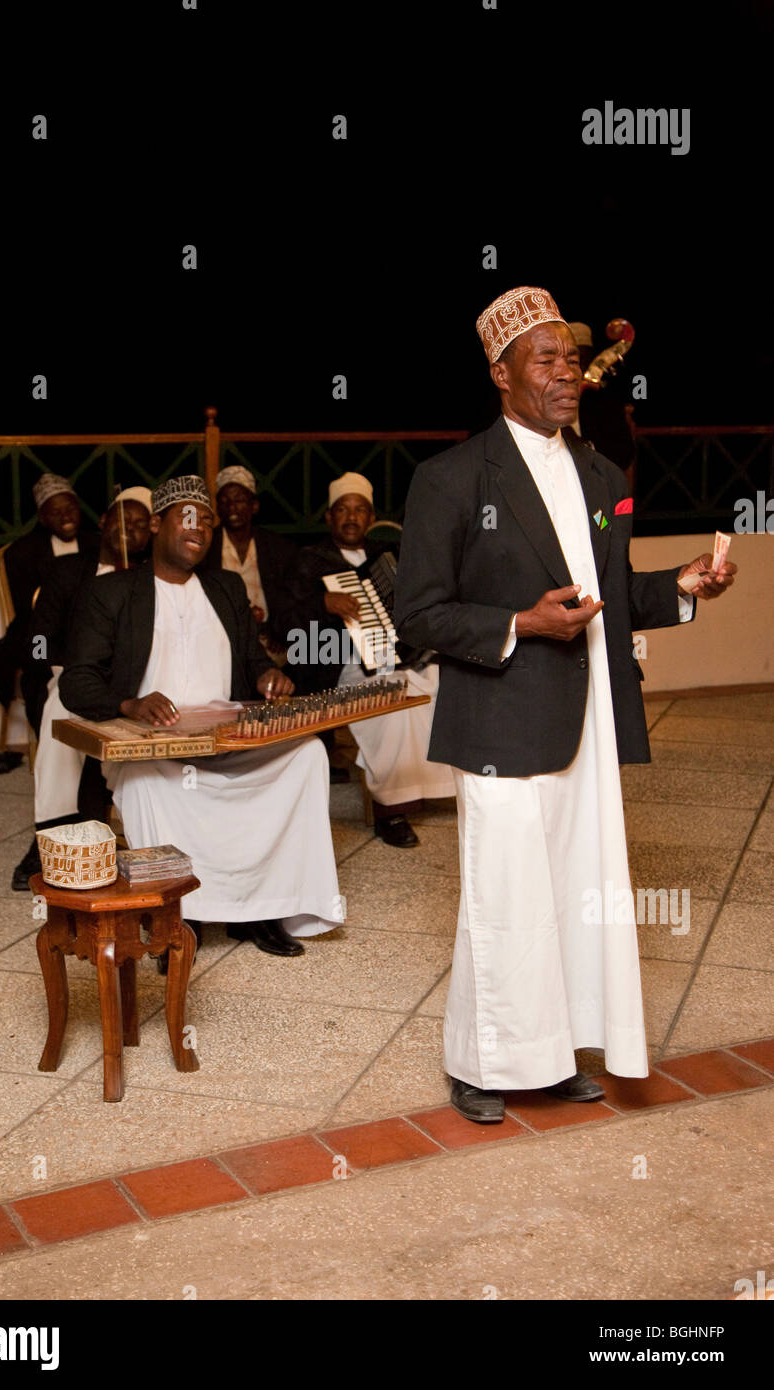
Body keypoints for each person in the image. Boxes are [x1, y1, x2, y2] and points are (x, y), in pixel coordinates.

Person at [395, 285, 737, 1123]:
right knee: (505, 896)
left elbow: (609, 594)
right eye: (544, 359)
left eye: (573, 360)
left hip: (588, 719)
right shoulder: (449, 478)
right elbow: (418, 616)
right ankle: (481, 1063)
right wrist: (521, 622)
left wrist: (685, 585)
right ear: (501, 372)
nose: (565, 372)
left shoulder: (600, 473)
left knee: (576, 892)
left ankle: (554, 1057)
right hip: (499, 720)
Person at [59, 475, 343, 957]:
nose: (200, 528)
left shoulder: (226, 587)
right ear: (154, 525)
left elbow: (253, 660)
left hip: (226, 737)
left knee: (308, 756)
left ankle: (262, 909)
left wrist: (267, 679)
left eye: (207, 521)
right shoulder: (114, 591)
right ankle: (173, 920)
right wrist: (130, 703)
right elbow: (76, 681)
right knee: (146, 782)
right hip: (154, 744)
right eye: (187, 517)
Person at [284, 472, 455, 848]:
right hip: (341, 664)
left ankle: (444, 786)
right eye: (342, 510)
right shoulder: (310, 561)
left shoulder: (387, 556)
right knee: (392, 701)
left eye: (359, 510)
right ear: (329, 518)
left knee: (443, 681)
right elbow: (289, 625)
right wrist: (322, 604)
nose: (351, 517)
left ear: (371, 517)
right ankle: (390, 809)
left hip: (401, 659)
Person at [10, 488, 153, 890]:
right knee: (61, 711)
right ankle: (50, 835)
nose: (132, 531)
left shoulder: (148, 578)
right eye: (125, 520)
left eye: (142, 525)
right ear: (105, 522)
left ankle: (130, 834)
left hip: (132, 684)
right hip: (69, 674)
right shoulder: (69, 570)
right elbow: (39, 637)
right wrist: (60, 669)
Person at [0, 474, 98, 714]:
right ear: (42, 518)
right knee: (39, 664)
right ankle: (47, 727)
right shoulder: (22, 553)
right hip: (39, 634)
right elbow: (30, 611)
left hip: (89, 633)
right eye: (56, 512)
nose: (66, 517)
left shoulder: (96, 545)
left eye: (70, 509)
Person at [204, 464, 300, 655]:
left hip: (270, 640)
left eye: (239, 500)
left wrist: (280, 634)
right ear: (217, 507)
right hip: (222, 640)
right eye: (224, 501)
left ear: (254, 505)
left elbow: (291, 599)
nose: (232, 507)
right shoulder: (207, 547)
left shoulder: (278, 548)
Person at [566, 320, 636, 472]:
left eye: (582, 357)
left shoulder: (603, 398)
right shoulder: (549, 396)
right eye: (571, 360)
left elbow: (624, 453)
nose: (579, 366)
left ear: (591, 357)